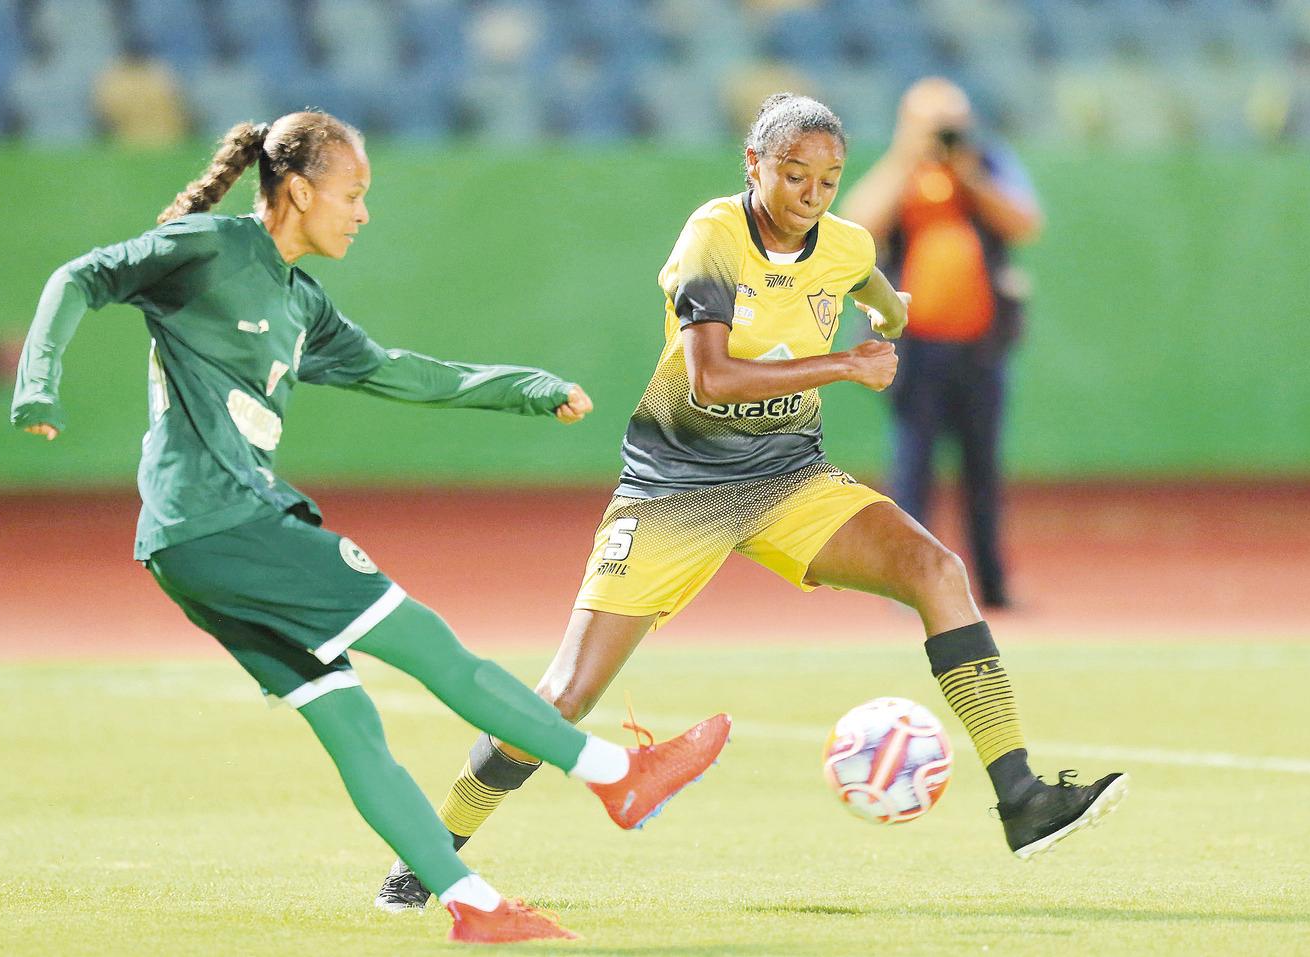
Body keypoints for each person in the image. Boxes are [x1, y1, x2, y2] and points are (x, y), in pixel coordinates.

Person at [376, 92, 1126, 912]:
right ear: (754, 166)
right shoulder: (714, 236)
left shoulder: (842, 243)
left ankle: (1021, 796)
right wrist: (846, 364)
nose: (813, 192)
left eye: (830, 177)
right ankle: (429, 852)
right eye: (794, 173)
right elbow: (710, 376)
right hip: (676, 491)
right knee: (564, 695)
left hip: (788, 481)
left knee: (935, 567)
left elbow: (866, 276)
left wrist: (890, 308)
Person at [10, 110, 732, 946]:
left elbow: (396, 373)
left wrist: (520, 386)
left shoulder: (298, 299)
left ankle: (473, 905)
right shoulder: (208, 248)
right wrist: (39, 382)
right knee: (432, 645)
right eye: (353, 194)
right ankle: (619, 774)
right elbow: (78, 277)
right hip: (226, 520)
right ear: (300, 189)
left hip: (190, 544)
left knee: (348, 721)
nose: (362, 212)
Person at [838, 77, 1043, 608]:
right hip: (916, 348)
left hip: (981, 346)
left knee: (983, 474)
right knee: (912, 474)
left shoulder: (985, 164)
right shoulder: (900, 171)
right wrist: (907, 156)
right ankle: (907, 585)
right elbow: (857, 226)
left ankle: (993, 589)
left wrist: (969, 172)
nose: (944, 135)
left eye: (951, 123)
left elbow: (1025, 222)